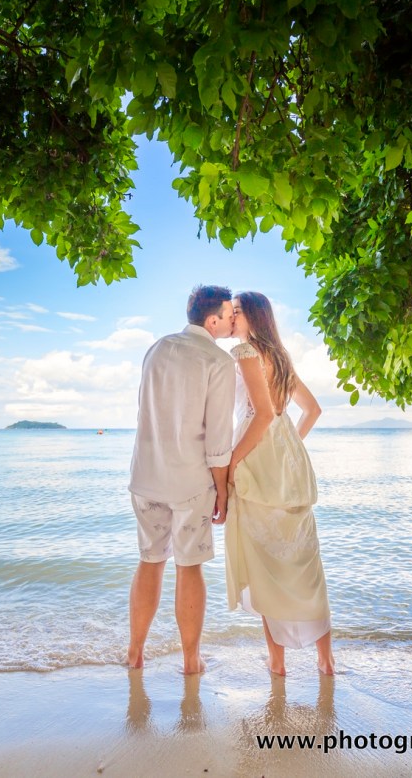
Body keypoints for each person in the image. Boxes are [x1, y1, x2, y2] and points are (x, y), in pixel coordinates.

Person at [127, 285, 237, 674]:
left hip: (146, 474)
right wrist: (222, 488)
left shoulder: (156, 348)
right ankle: (191, 660)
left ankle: (135, 652)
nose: (232, 320)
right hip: (189, 481)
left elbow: (145, 408)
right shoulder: (218, 362)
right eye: (228, 314)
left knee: (149, 561)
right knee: (188, 567)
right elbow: (219, 439)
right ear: (213, 320)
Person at [224, 291, 334, 675]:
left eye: (236, 311)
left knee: (264, 564)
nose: (230, 317)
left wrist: (233, 461)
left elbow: (263, 415)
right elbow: (312, 409)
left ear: (253, 317)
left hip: (257, 460)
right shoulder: (281, 356)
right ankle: (326, 660)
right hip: (287, 462)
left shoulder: (245, 354)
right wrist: (288, 448)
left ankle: (277, 662)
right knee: (303, 563)